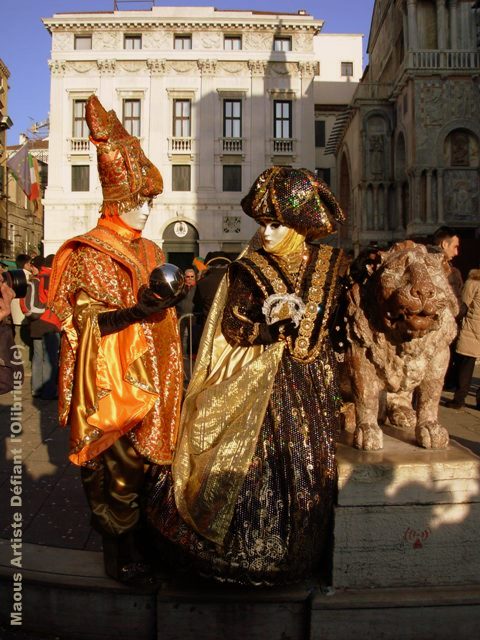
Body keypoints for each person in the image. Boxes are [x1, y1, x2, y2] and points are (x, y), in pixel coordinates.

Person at [147, 167, 347, 586]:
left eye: (278, 224)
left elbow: (335, 322)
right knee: (250, 462)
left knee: (303, 462)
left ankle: (299, 554)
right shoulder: (248, 268)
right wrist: (269, 329)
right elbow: (233, 326)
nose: (268, 233)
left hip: (310, 384)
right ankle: (231, 552)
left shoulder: (330, 265)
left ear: (296, 227)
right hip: (258, 384)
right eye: (264, 224)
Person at [48, 95, 184, 585]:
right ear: (116, 201)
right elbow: (80, 321)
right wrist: (133, 311)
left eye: (151, 202)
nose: (148, 210)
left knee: (149, 472)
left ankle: (142, 542)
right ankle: (118, 552)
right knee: (117, 471)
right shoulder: (88, 252)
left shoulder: (150, 248)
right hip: (114, 387)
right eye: (139, 202)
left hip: (157, 382)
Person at [22, 254, 61, 400]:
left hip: (36, 324)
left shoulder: (35, 280)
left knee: (37, 357)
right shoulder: (54, 280)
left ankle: (36, 389)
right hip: (50, 323)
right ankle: (49, 391)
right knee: (50, 358)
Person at [446, 265, 480, 410]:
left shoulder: (472, 282)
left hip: (470, 329)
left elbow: (462, 306)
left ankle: (459, 399)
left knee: (465, 363)